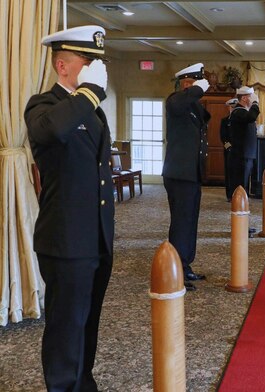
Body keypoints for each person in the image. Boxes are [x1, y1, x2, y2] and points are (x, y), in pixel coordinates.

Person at [24, 25, 114, 391]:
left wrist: (89, 95)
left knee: (87, 321)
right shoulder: (44, 106)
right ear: (63, 66)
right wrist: (90, 91)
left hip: (94, 238)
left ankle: (83, 383)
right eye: (88, 60)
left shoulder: (90, 111)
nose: (96, 68)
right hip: (65, 241)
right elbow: (51, 132)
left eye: (98, 62)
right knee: (65, 327)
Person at [162, 63, 211, 291]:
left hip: (192, 174)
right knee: (181, 223)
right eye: (193, 83)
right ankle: (176, 270)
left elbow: (205, 118)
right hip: (179, 174)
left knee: (191, 222)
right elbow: (178, 104)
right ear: (184, 83)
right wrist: (196, 91)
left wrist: (196, 96)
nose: (197, 87)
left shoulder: (193, 106)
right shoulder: (175, 101)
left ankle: (186, 264)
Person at [228, 86, 260, 197]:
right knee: (240, 183)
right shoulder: (238, 112)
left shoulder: (243, 112)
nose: (253, 99)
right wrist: (255, 103)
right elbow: (251, 117)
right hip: (241, 154)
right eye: (251, 97)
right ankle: (239, 205)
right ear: (245, 98)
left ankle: (242, 203)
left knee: (245, 182)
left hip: (247, 154)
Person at [220, 97, 238, 201]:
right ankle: (229, 195)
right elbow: (223, 137)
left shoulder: (241, 118)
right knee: (229, 172)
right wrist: (229, 147)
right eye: (231, 107)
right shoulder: (225, 121)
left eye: (235, 107)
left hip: (240, 150)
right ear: (229, 108)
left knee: (238, 173)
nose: (233, 109)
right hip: (229, 151)